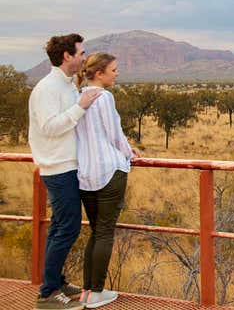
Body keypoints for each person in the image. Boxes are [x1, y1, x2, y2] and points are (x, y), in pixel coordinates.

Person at [28, 34, 102, 310]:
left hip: (67, 166)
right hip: (58, 168)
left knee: (60, 226)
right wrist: (80, 107)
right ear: (67, 56)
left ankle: (55, 282)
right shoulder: (48, 88)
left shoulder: (66, 85)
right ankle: (47, 294)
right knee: (68, 228)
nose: (84, 57)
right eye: (81, 52)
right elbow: (49, 127)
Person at [75, 52, 139, 309]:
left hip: (85, 175)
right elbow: (114, 134)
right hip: (109, 172)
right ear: (99, 73)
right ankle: (97, 293)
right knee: (104, 233)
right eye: (113, 69)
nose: (117, 73)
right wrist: (129, 152)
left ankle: (87, 292)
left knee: (95, 231)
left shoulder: (76, 97)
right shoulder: (104, 97)